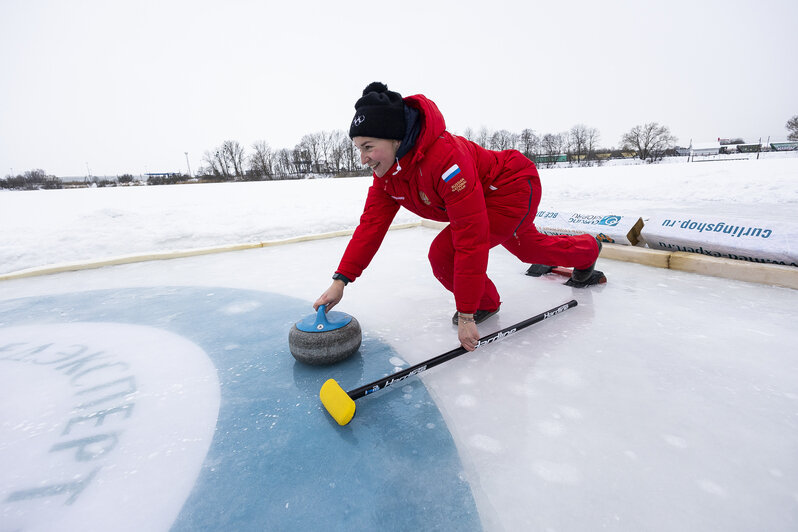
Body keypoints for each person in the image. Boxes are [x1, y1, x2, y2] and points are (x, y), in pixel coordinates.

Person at [314, 82, 601, 352]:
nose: (363, 158)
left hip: (509, 187)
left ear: (395, 138)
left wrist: (466, 313)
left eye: (368, 147)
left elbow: (470, 237)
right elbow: (371, 226)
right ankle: (588, 249)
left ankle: (484, 303)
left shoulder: (445, 161)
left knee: (446, 252)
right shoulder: (388, 176)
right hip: (485, 193)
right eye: (358, 148)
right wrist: (341, 280)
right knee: (528, 248)